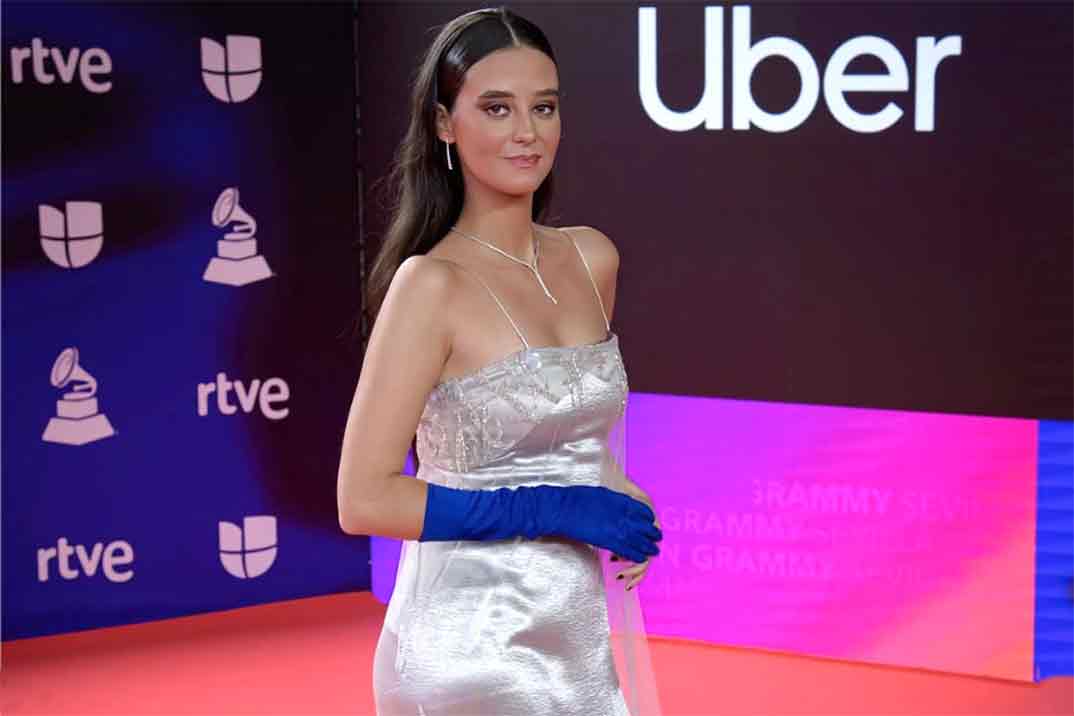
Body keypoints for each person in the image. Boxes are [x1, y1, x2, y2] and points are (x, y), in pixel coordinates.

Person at [336, 7, 664, 715]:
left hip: (576, 644)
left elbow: (562, 435)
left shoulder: (591, 259)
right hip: (465, 649)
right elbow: (362, 499)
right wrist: (560, 507)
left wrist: (619, 493)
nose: (526, 132)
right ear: (444, 124)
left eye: (543, 107)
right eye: (496, 107)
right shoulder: (430, 285)